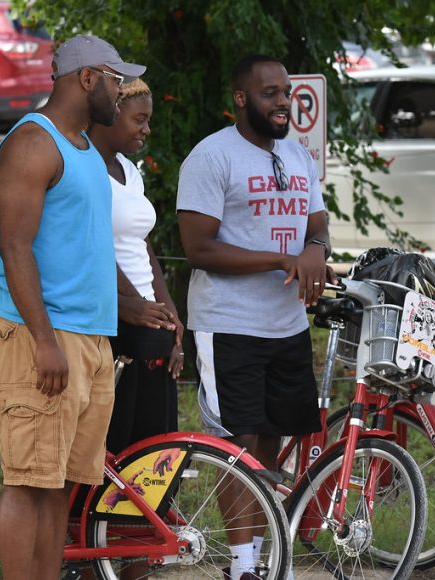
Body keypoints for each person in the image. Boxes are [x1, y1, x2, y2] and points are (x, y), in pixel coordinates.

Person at [0, 35, 144, 580]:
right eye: (117, 80)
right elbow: (14, 248)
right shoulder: (34, 143)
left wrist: (134, 308)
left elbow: (92, 246)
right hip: (42, 338)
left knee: (61, 488)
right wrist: (45, 341)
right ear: (88, 78)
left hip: (91, 340)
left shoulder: (84, 149)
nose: (121, 93)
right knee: (28, 483)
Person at [176, 54, 336, 580]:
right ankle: (241, 566)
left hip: (286, 325)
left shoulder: (297, 156)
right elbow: (198, 247)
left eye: (286, 92)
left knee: (271, 441)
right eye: (270, 93)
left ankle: (268, 559)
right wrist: (279, 258)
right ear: (241, 98)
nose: (283, 102)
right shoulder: (212, 156)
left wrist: (314, 249)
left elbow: (317, 224)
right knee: (237, 445)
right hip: (228, 325)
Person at [88, 79, 184, 456]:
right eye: (139, 119)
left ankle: (147, 516)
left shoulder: (129, 168)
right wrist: (132, 306)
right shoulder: (86, 168)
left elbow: (142, 244)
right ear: (111, 113)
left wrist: (169, 314)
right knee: (120, 444)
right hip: (118, 316)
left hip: (145, 316)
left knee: (156, 443)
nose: (147, 129)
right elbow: (94, 247)